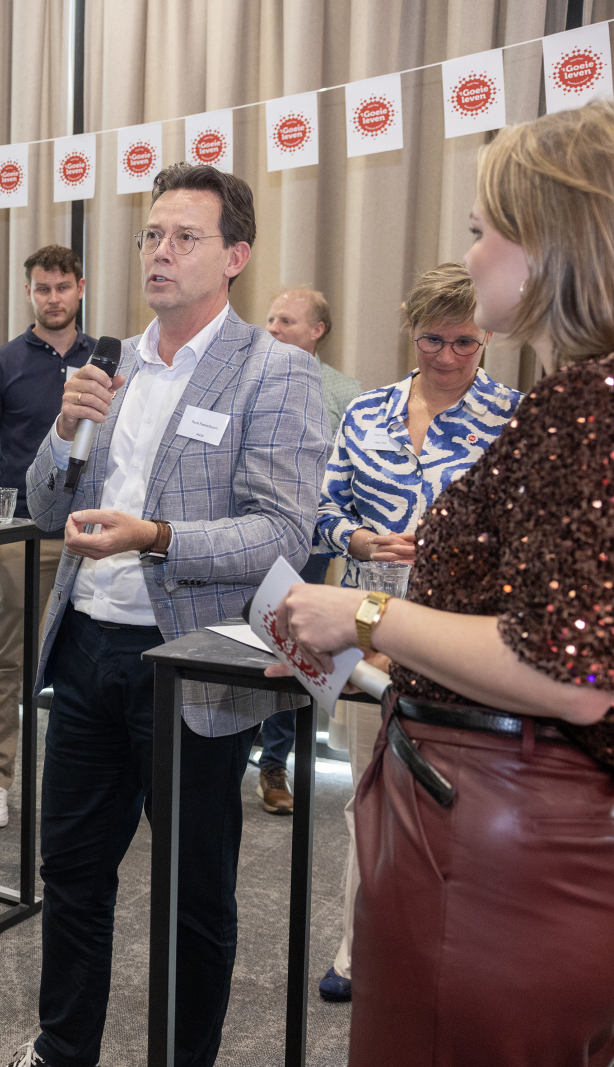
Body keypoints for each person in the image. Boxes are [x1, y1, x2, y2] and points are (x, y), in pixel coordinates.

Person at [268, 102, 614, 1065]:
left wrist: (363, 610)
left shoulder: (574, 408)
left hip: (501, 839)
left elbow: (570, 674)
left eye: (479, 229)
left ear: (545, 244)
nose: (469, 255)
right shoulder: (581, 400)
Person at [3, 163, 328, 1067]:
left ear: (235, 256)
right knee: (71, 869)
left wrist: (156, 536)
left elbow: (282, 532)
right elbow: (42, 508)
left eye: (185, 237)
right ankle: (62, 1048)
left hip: (192, 662)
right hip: (85, 650)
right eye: (151, 234)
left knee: (193, 893)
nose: (160, 251)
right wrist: (62, 432)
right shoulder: (109, 363)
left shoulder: (276, 371)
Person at [306, 262, 521, 1004]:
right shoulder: (367, 412)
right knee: (369, 795)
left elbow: (529, 538)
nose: (448, 356)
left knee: (463, 804)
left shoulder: (515, 417)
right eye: (433, 339)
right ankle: (354, 948)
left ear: (486, 337)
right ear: (411, 330)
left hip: (464, 637)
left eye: (465, 342)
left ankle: (458, 961)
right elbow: (324, 510)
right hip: (370, 634)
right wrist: (360, 540)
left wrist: (453, 550)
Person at [0, 244, 96, 829]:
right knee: (8, 661)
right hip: (23, 535)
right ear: (29, 293)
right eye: (43, 288)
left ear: (80, 288)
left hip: (95, 536)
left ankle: (88, 783)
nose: (53, 298)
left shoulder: (109, 359)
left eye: (63, 287)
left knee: (90, 661)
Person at [252, 287, 363, 814]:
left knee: (295, 653)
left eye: (287, 320)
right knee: (235, 648)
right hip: (245, 535)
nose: (273, 328)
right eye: (271, 318)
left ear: (317, 330)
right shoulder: (246, 376)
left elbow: (348, 481)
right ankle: (222, 758)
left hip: (308, 544)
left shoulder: (346, 394)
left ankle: (274, 764)